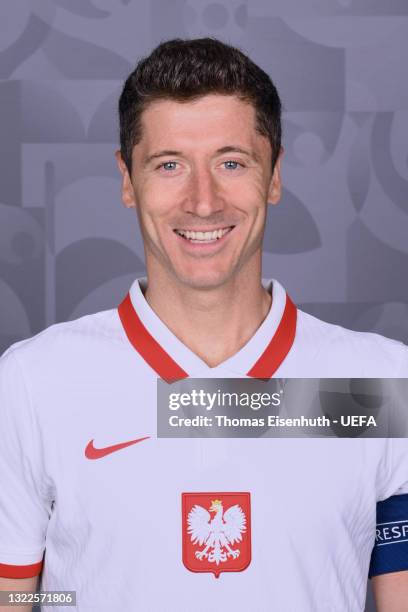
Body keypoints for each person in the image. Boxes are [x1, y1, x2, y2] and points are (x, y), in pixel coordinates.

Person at [0, 37, 407, 612]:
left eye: (231, 163)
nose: (204, 201)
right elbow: (14, 597)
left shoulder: (382, 384)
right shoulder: (33, 382)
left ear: (274, 175)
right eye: (169, 165)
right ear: (126, 179)